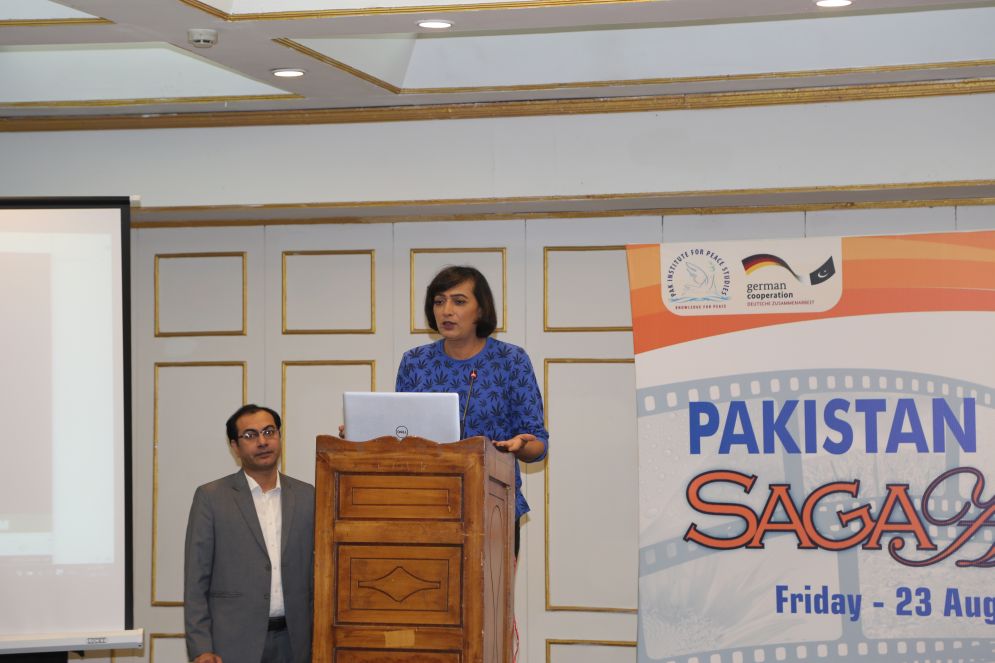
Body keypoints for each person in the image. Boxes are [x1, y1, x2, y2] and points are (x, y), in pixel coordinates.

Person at [396, 265, 548, 555]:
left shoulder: (511, 360)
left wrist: (521, 445)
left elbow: (538, 443)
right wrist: (364, 432)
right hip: (427, 504)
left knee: (489, 585)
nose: (446, 311)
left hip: (493, 505)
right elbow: (401, 433)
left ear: (481, 309)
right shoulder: (415, 362)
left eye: (459, 301)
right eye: (439, 301)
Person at [184, 404, 315, 663]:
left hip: (297, 643)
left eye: (269, 432)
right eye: (250, 435)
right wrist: (201, 648)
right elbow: (196, 580)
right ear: (235, 446)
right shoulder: (211, 498)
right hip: (233, 644)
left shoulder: (307, 495)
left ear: (279, 436)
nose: (262, 441)